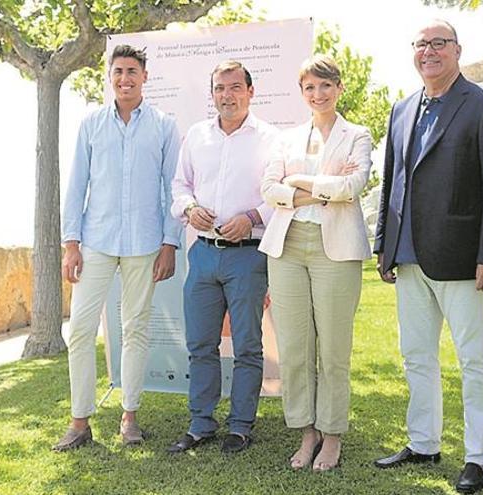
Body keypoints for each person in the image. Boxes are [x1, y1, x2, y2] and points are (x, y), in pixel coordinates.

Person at [372, 19, 483, 494]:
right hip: (407, 259)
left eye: (439, 43)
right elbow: (393, 184)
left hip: (461, 260)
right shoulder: (402, 108)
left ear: (458, 50)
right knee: (416, 357)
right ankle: (424, 442)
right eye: (422, 44)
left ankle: (478, 456)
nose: (429, 51)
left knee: (473, 360)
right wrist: (383, 245)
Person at [55, 45, 181, 451]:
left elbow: (172, 189)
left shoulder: (163, 125)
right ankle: (80, 421)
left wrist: (169, 243)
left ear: (145, 76)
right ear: (109, 77)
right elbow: (77, 186)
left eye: (132, 71)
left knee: (135, 329)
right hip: (96, 240)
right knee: (80, 331)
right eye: (118, 72)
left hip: (145, 243)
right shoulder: (91, 124)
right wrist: (70, 243)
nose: (125, 78)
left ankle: (129, 416)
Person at [259, 55, 371, 471]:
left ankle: (333, 435)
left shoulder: (357, 135)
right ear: (302, 92)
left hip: (335, 248)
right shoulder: (285, 139)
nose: (318, 94)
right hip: (286, 247)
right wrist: (319, 192)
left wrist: (301, 182)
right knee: (294, 347)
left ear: (339, 88)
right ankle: (307, 431)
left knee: (334, 348)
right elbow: (270, 189)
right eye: (309, 87)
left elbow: (353, 185)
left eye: (325, 86)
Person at [167, 60, 277, 454]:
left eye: (234, 87)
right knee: (200, 344)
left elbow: (278, 195)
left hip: (248, 257)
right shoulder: (197, 136)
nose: (226, 95)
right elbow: (180, 185)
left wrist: (252, 218)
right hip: (203, 255)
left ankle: (241, 425)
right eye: (219, 88)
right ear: (211, 93)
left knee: (247, 345)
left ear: (250, 91)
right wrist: (189, 208)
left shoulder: (270, 138)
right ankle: (200, 423)